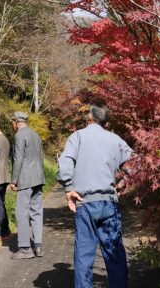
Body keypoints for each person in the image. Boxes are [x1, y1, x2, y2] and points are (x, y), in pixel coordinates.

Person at [57, 105, 133, 288]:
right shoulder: (116, 139)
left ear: (89, 117)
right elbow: (134, 164)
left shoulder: (78, 137)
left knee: (84, 255)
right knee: (114, 254)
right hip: (109, 202)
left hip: (85, 203)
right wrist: (122, 183)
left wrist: (68, 189)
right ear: (106, 122)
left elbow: (65, 161)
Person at [9, 110, 45, 260]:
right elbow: (40, 157)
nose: (12, 124)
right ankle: (37, 246)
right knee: (36, 211)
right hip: (38, 177)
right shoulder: (35, 134)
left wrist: (14, 180)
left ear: (16, 121)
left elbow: (18, 159)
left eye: (12, 121)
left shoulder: (19, 135)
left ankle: (25, 248)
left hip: (25, 178)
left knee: (21, 212)